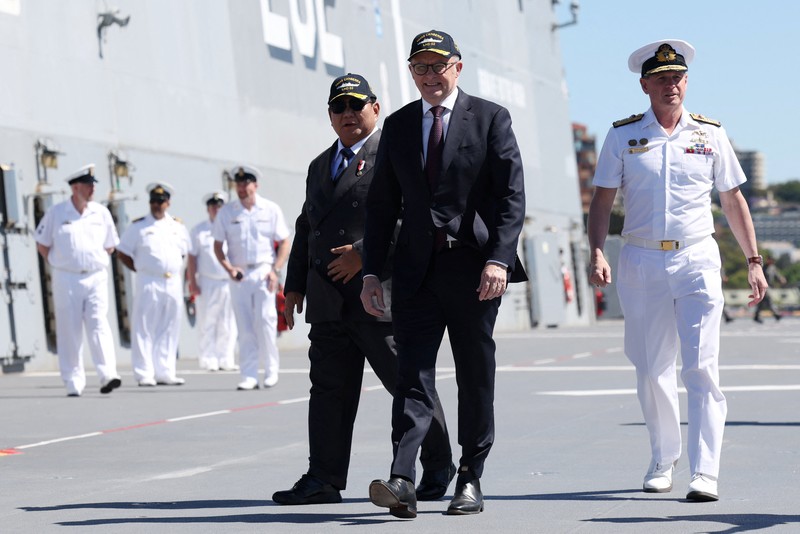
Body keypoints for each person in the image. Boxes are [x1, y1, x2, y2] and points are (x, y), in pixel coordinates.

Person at [587, 39, 768, 502]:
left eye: (678, 78)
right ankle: (664, 457)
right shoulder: (622, 136)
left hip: (697, 258)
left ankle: (705, 471)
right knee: (651, 369)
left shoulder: (710, 133)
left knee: (703, 367)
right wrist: (596, 252)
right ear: (645, 85)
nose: (672, 85)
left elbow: (732, 199)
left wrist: (753, 261)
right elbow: (603, 198)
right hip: (641, 260)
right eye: (662, 78)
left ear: (687, 82)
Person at [360, 30, 526, 518]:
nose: (430, 76)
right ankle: (403, 478)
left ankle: (470, 477)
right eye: (421, 68)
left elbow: (511, 196)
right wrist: (372, 274)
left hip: (474, 269)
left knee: (474, 376)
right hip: (415, 272)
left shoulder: (491, 118)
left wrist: (499, 258)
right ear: (411, 72)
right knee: (412, 376)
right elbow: (381, 205)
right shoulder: (398, 125)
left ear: (458, 67)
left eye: (438, 66)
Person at [273, 74, 453, 506]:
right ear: (330, 115)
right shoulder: (320, 165)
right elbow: (306, 227)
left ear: (375, 107)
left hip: (378, 294)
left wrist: (361, 253)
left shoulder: (396, 154)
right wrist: (294, 284)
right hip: (328, 300)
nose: (348, 114)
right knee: (329, 391)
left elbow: (411, 216)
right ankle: (324, 478)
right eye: (339, 107)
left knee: (406, 384)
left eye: (357, 105)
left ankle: (438, 464)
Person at [34, 164, 122, 397]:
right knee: (69, 329)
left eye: (93, 184)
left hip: (95, 276)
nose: (92, 188)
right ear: (75, 187)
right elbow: (42, 244)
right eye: (88, 184)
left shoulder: (101, 213)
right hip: (67, 278)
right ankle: (73, 379)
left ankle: (108, 374)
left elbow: (111, 244)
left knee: (98, 324)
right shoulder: (57, 213)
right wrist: (60, 262)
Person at [212, 165, 291, 390]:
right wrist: (228, 268)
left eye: (245, 183)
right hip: (240, 274)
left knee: (266, 322)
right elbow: (217, 245)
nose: (241, 188)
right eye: (238, 184)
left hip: (263, 271)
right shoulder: (227, 212)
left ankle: (271, 370)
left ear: (255, 185)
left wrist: (275, 269)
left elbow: (284, 241)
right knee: (244, 325)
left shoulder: (270, 209)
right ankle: (248, 374)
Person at [117, 182, 191, 387]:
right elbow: (122, 252)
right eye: (153, 201)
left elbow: (184, 252)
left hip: (172, 280)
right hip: (148, 280)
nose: (156, 205)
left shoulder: (177, 226)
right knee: (144, 327)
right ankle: (144, 373)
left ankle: (165, 371)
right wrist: (141, 268)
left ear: (168, 203)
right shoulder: (138, 226)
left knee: (170, 326)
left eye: (160, 201)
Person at [187, 191, 239, 371]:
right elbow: (192, 258)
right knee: (207, 321)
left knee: (228, 322)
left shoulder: (232, 227)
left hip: (228, 281)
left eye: (219, 206)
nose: (216, 209)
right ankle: (208, 358)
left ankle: (226, 358)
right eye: (213, 206)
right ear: (208, 209)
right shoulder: (199, 231)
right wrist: (192, 282)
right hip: (207, 282)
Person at [753, 257, 786, 323]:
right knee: (769, 300)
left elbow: (776, 275)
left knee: (761, 303)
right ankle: (776, 314)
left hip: (769, 287)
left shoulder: (773, 268)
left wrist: (781, 279)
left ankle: (756, 316)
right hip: (762, 286)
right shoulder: (762, 267)